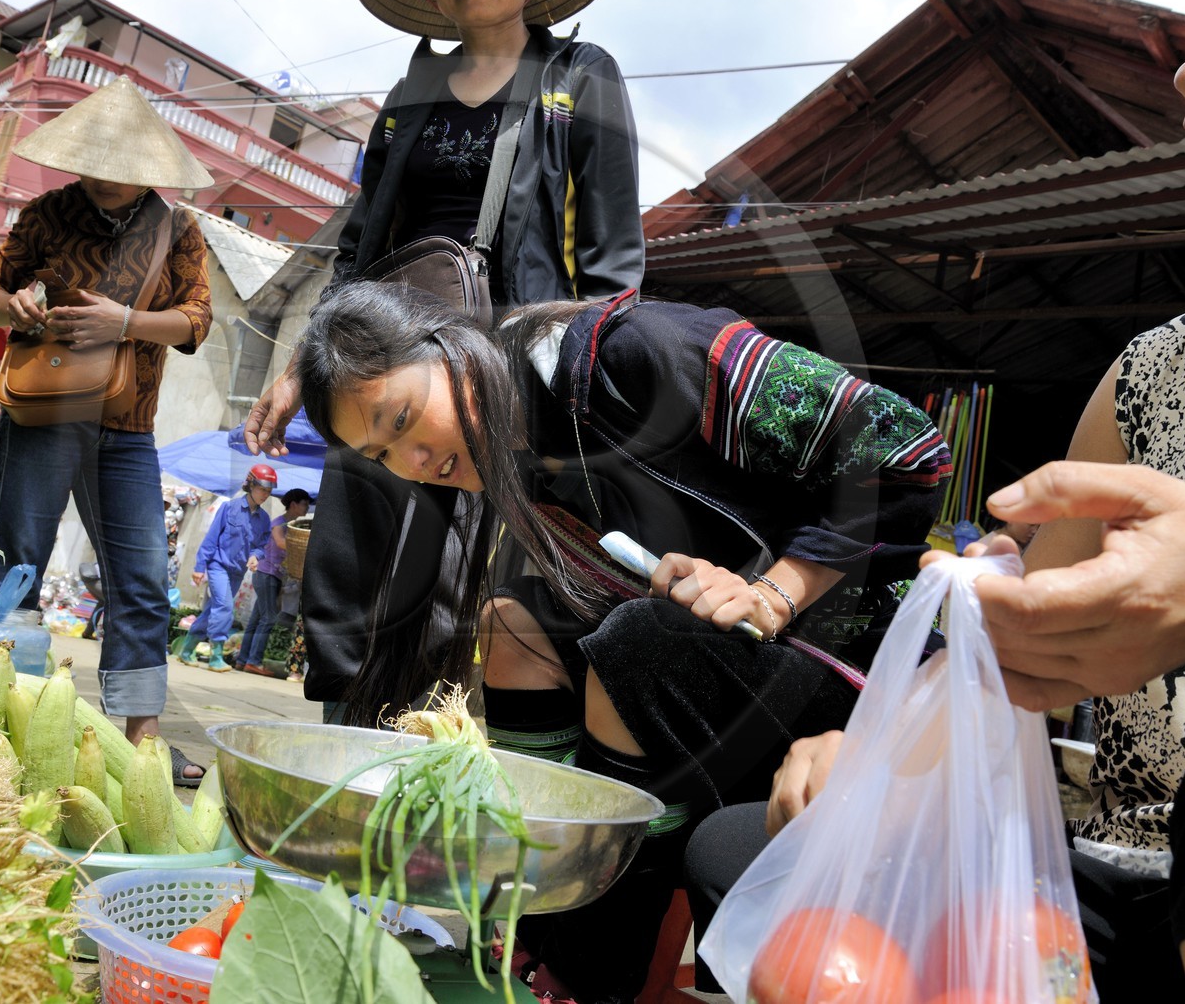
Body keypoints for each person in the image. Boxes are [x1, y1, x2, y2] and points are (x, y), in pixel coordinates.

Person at [688, 0, 1185, 994]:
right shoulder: (1154, 375)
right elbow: (1024, 662)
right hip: (1121, 883)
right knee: (755, 855)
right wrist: (875, 760)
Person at [296, 281, 951, 1002]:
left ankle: (586, 975)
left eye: (405, 418)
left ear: (452, 350)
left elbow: (900, 444)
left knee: (631, 646)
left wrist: (773, 592)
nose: (415, 460)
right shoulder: (524, 448)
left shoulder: (639, 356)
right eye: (382, 452)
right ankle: (528, 919)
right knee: (513, 626)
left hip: (872, 687)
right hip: (723, 685)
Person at [246, 0, 643, 720]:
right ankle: (345, 738)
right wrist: (304, 365)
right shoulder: (411, 91)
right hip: (384, 358)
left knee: (467, 571)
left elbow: (613, 256)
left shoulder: (579, 75)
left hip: (507, 369)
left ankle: (435, 758)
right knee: (355, 560)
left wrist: (583, 388)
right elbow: (360, 245)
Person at [0, 75, 214, 787]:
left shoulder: (179, 229)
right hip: (41, 415)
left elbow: (196, 322)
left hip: (127, 429)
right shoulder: (46, 214)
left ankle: (139, 745)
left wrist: (126, 322)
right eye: (94, 162)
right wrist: (8, 306)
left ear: (149, 168)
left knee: (140, 582)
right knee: (16, 566)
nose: (105, 178)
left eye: (122, 167)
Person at [184, 465, 276, 673]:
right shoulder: (229, 508)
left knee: (212, 610)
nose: (265, 494)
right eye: (262, 489)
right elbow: (211, 538)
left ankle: (187, 649)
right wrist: (200, 567)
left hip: (237, 572)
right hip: (218, 566)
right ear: (250, 485)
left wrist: (255, 556)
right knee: (224, 607)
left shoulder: (264, 520)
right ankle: (216, 655)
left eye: (269, 491)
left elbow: (261, 546)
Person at [236, 487, 311, 675]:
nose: (306, 509)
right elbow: (280, 542)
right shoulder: (280, 524)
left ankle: (243, 660)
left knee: (256, 619)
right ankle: (253, 661)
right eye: (304, 505)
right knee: (268, 618)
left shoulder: (291, 524)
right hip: (267, 574)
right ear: (293, 505)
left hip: (271, 576)